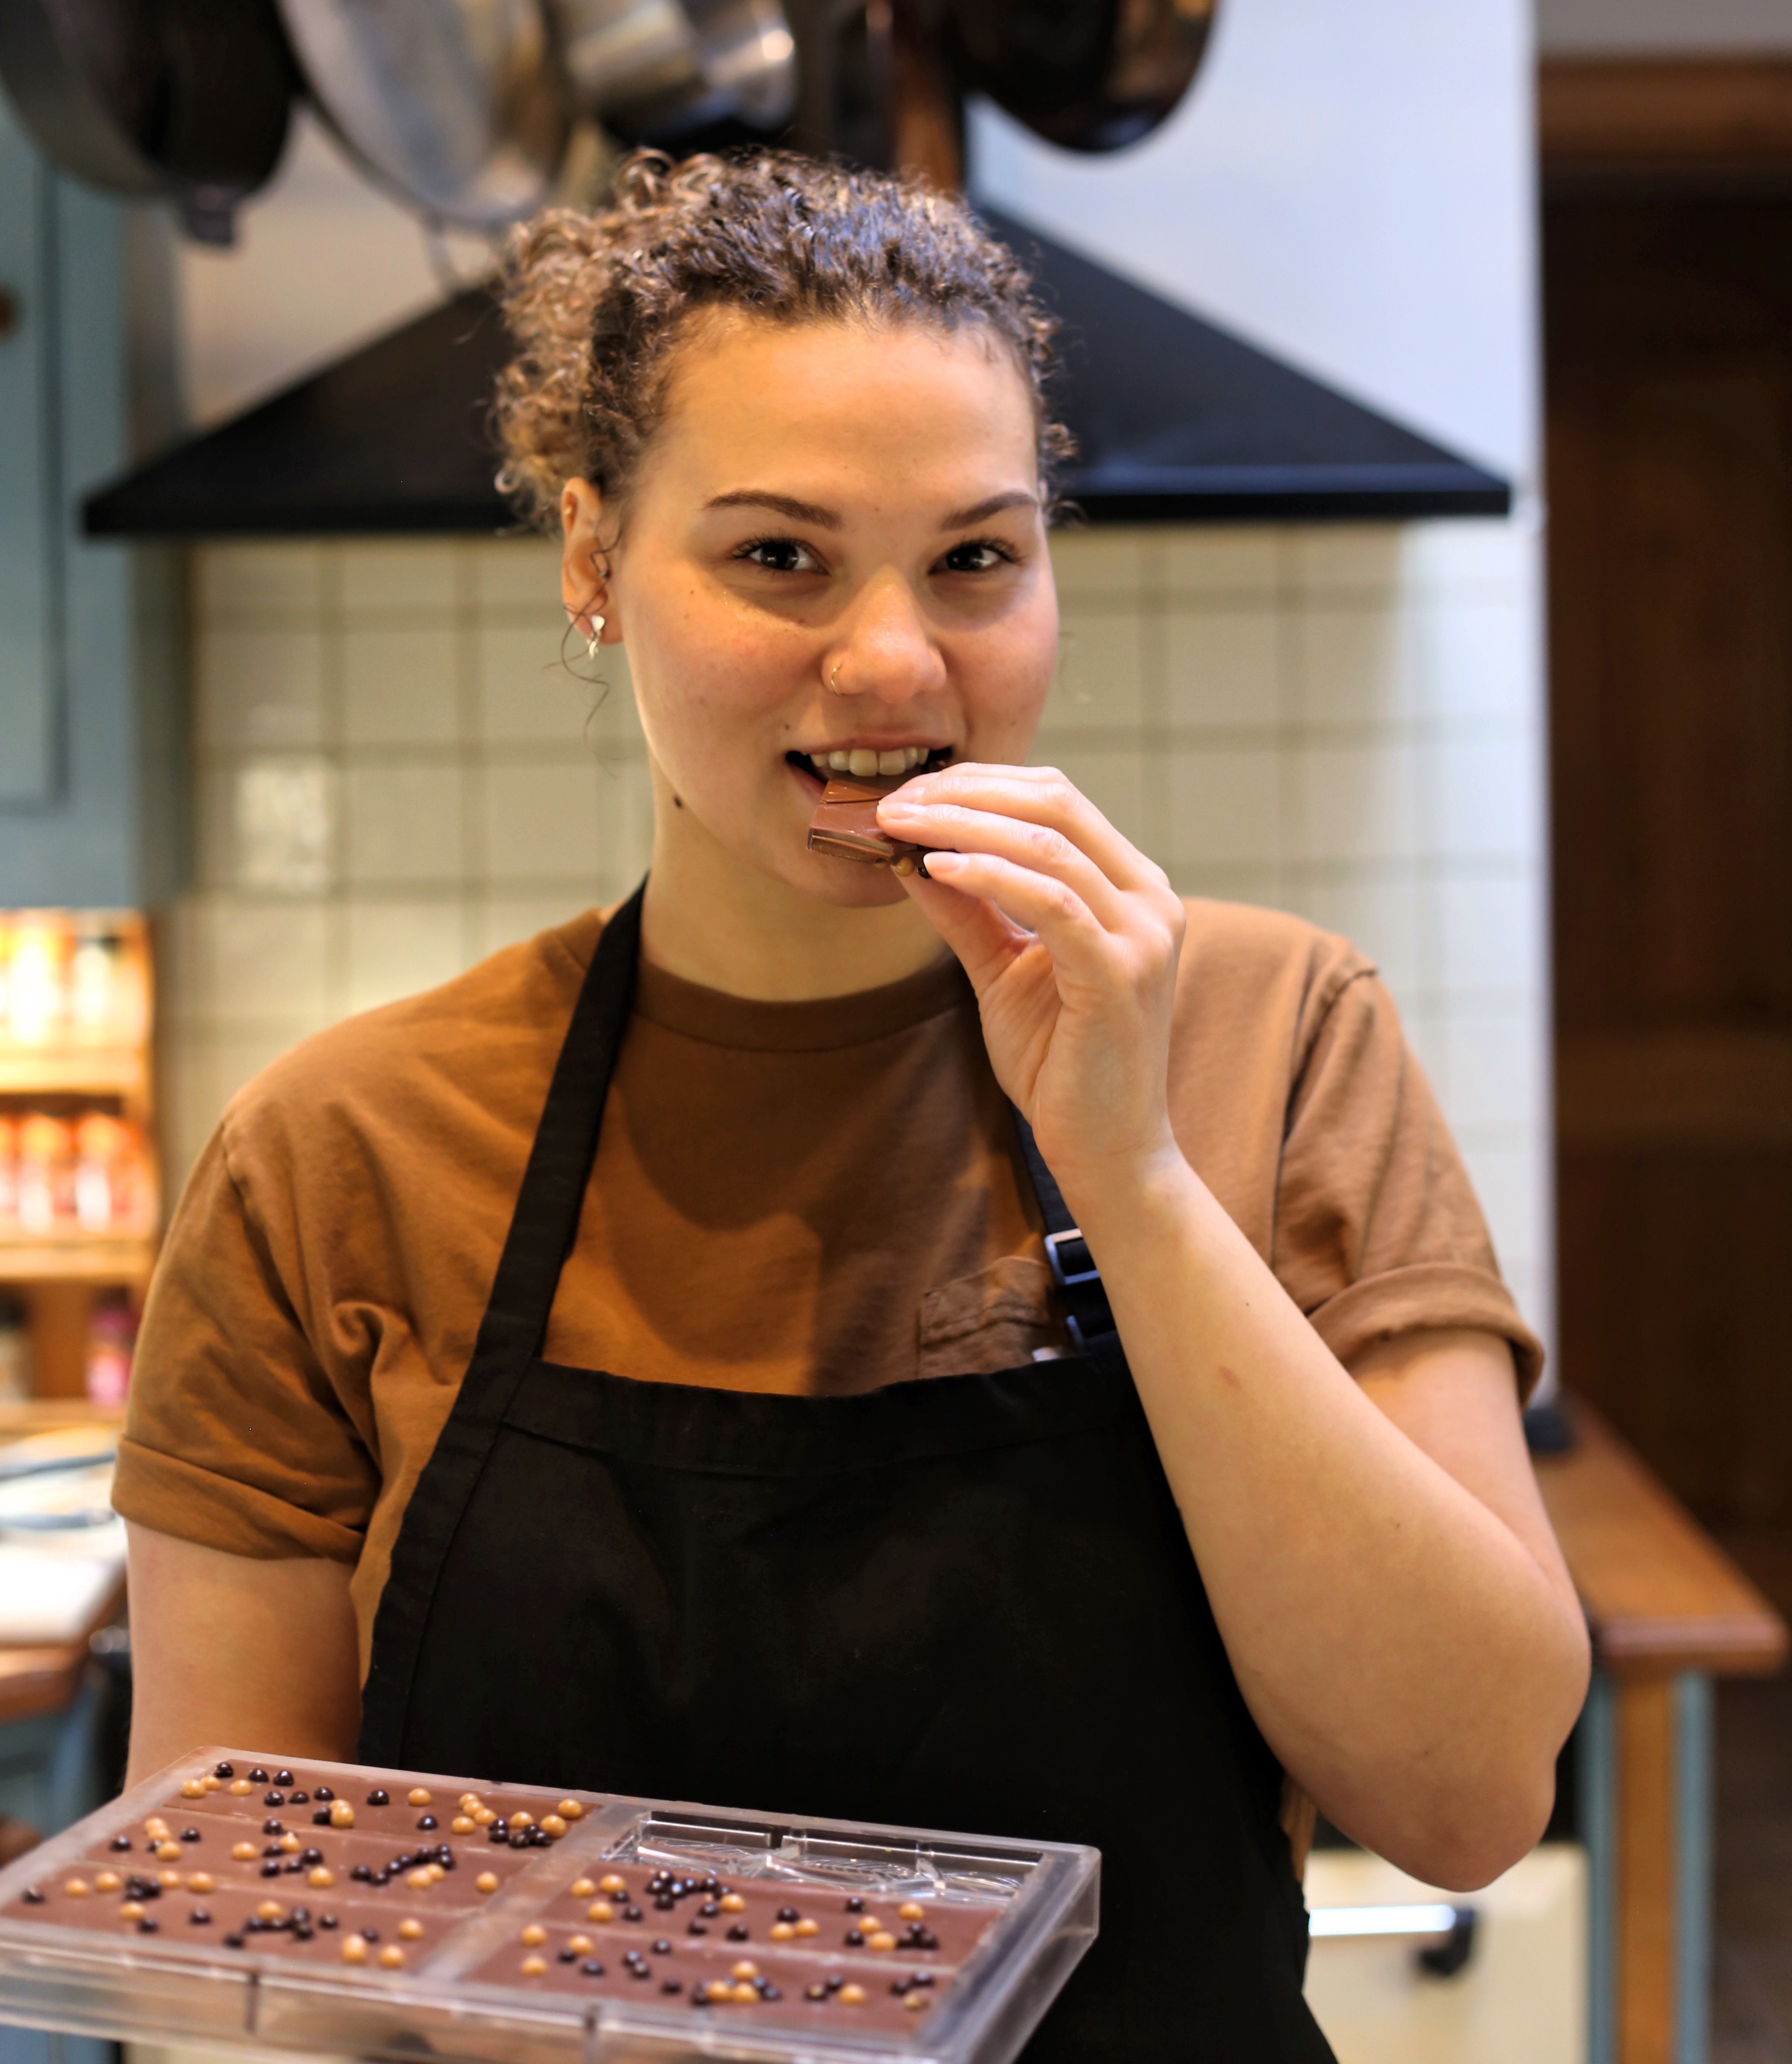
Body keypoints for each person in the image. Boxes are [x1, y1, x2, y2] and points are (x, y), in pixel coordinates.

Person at [116, 151, 1588, 2060]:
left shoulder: (1274, 1033)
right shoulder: (339, 1151)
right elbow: (232, 1958)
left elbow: (1470, 1794)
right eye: (778, 557)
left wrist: (1131, 1170)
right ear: (590, 561)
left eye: (976, 557)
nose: (895, 663)